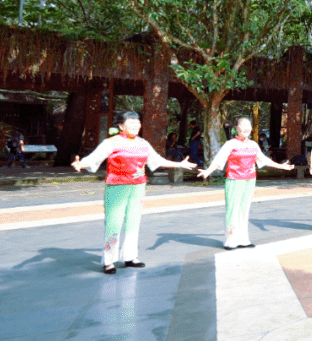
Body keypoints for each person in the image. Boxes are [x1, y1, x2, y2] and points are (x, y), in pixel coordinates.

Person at [72, 111, 197, 273]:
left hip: (138, 186)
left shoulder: (143, 143)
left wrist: (179, 165)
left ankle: (130, 256)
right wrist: (81, 164)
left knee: (133, 221)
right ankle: (109, 260)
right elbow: (94, 158)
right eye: (132, 124)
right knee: (114, 222)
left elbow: (157, 160)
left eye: (138, 123)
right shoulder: (111, 143)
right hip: (117, 186)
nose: (136, 126)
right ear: (121, 126)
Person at [198, 117, 293, 250]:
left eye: (249, 126)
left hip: (250, 180)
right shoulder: (230, 144)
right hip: (234, 180)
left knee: (244, 209)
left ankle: (243, 239)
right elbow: (219, 159)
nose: (247, 129)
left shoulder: (253, 144)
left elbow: (263, 159)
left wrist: (281, 167)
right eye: (243, 126)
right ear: (236, 128)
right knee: (233, 210)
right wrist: (208, 171)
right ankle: (231, 240)